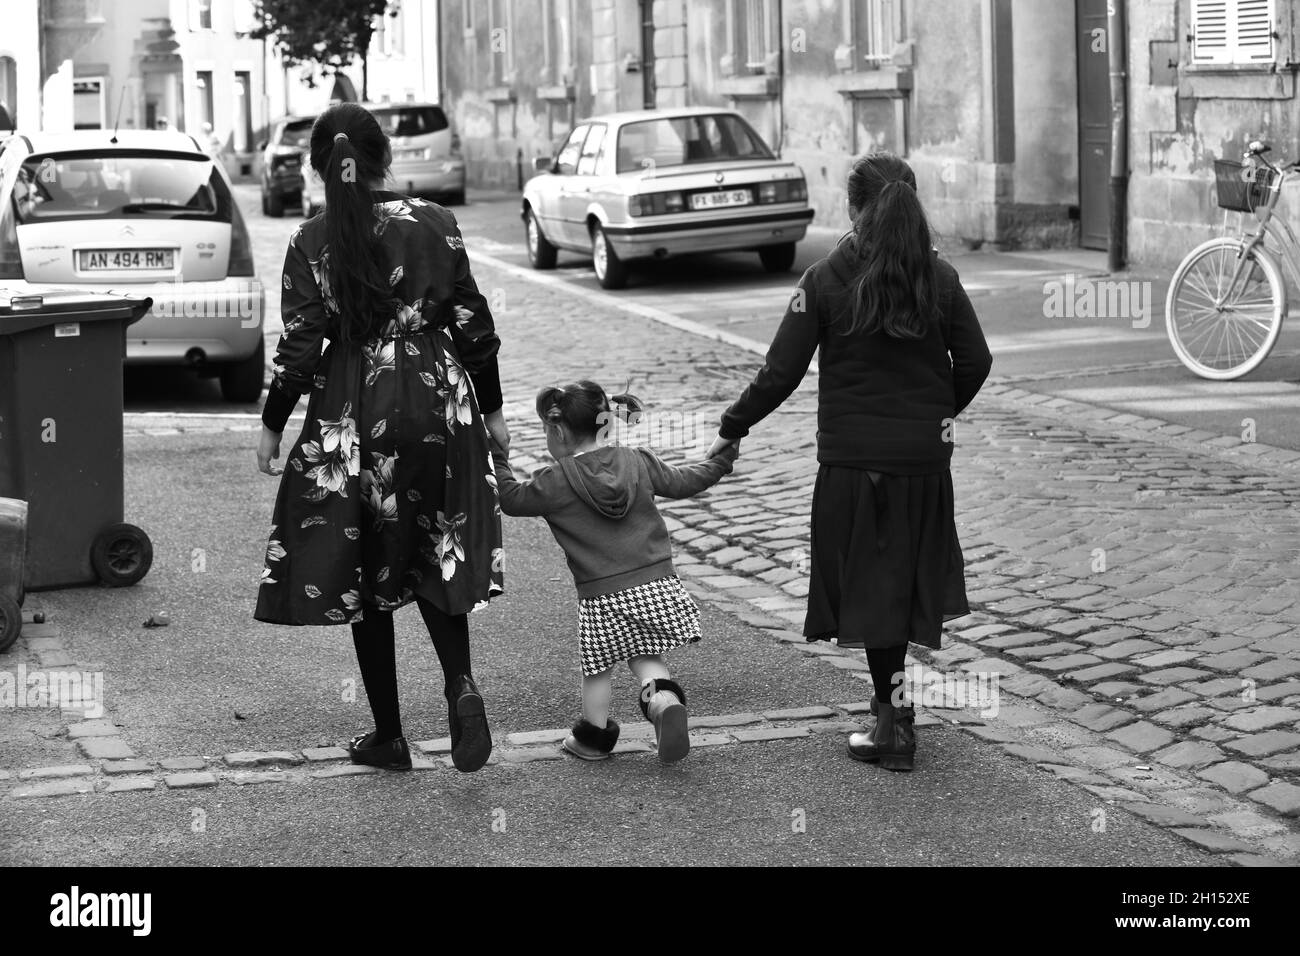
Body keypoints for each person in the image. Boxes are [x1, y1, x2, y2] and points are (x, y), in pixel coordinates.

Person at [708, 153, 992, 771]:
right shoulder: (938, 278)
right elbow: (977, 361)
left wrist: (732, 428)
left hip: (853, 465)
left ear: (854, 208)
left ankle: (891, 729)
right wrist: (937, 414)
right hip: (922, 465)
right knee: (901, 584)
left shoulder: (825, 280)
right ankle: (892, 704)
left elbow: (779, 372)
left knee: (872, 589)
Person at [254, 102, 509, 774]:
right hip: (440, 402)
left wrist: (274, 421)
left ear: (318, 166)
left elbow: (302, 347)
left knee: (365, 562)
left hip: (355, 408)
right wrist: (495, 409)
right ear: (384, 156)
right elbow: (472, 323)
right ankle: (461, 687)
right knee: (436, 547)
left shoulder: (311, 239)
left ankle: (390, 736)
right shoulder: (436, 222)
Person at [492, 382, 738, 763]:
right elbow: (687, 481)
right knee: (645, 655)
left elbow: (510, 499)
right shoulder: (638, 460)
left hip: (602, 595)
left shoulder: (553, 482)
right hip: (656, 583)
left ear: (558, 431)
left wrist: (498, 455)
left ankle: (592, 739)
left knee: (598, 667)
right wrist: (720, 461)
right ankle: (661, 699)